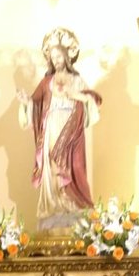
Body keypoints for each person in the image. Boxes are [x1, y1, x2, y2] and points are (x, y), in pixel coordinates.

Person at [17, 27, 102, 229]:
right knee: (52, 164)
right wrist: (26, 102)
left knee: (74, 166)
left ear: (66, 57)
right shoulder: (47, 82)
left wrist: (75, 95)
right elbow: (35, 103)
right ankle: (54, 206)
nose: (56, 60)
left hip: (72, 128)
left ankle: (73, 205)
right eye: (52, 57)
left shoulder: (77, 80)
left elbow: (92, 100)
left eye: (59, 56)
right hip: (51, 127)